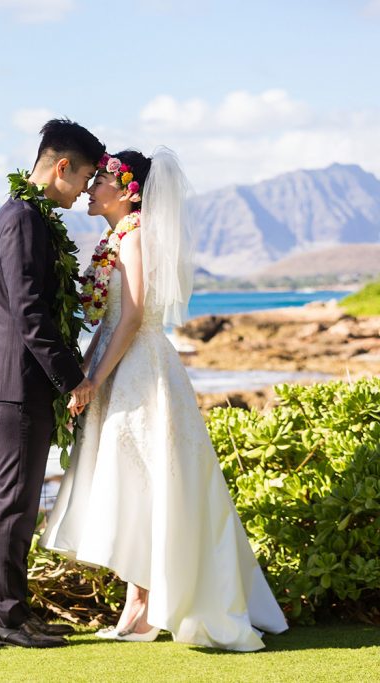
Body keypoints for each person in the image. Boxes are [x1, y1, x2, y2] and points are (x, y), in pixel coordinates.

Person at [39, 147, 288, 650]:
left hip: (140, 370)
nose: (90, 187)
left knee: (148, 484)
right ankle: (139, 602)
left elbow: (130, 319)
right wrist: (86, 374)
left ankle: (147, 605)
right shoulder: (115, 237)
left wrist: (93, 379)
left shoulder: (133, 237)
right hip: (117, 364)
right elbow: (108, 322)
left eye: (101, 179)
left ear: (128, 190)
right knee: (132, 485)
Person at [0, 118, 104, 648]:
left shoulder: (27, 214)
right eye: (85, 177)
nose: (86, 190)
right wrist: (74, 380)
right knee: (14, 501)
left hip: (17, 382)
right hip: (13, 383)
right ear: (61, 166)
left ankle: (14, 614)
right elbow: (29, 312)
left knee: (20, 501)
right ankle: (1, 619)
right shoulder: (23, 218)